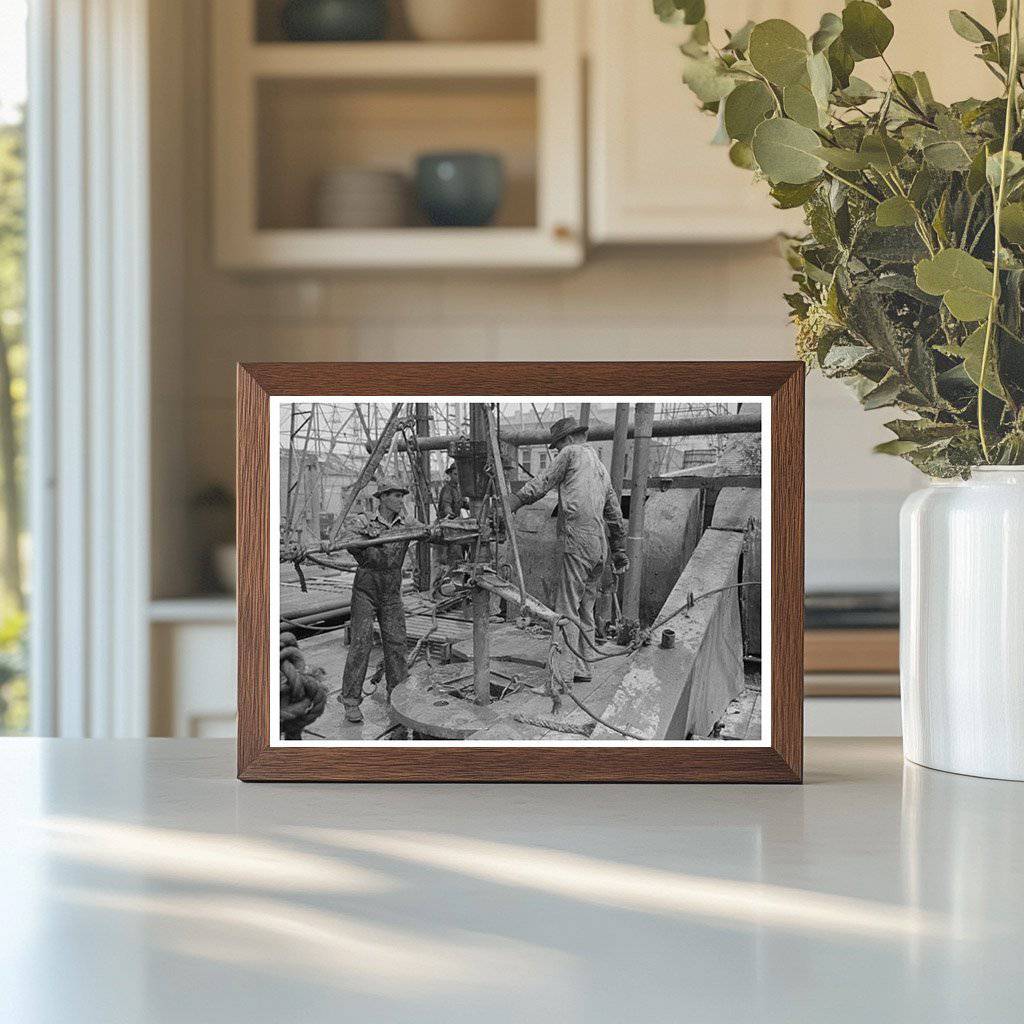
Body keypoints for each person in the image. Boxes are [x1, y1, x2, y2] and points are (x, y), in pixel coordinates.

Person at [506, 416, 629, 687]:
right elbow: (615, 515)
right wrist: (619, 551)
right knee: (586, 609)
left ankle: (561, 677)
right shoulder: (600, 468)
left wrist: (511, 502)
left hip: (579, 540)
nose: (558, 451)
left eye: (558, 445)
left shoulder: (570, 453)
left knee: (565, 610)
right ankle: (582, 668)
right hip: (600, 547)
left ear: (569, 439)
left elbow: (542, 483)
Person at [339, 480, 422, 724]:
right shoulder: (365, 521)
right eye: (395, 495)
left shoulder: (408, 524)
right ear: (383, 498)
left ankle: (397, 696)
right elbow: (345, 540)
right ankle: (351, 701)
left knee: (396, 644)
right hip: (366, 588)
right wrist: (361, 534)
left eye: (401, 496)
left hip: (391, 590)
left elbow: (430, 532)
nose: (400, 500)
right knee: (361, 644)